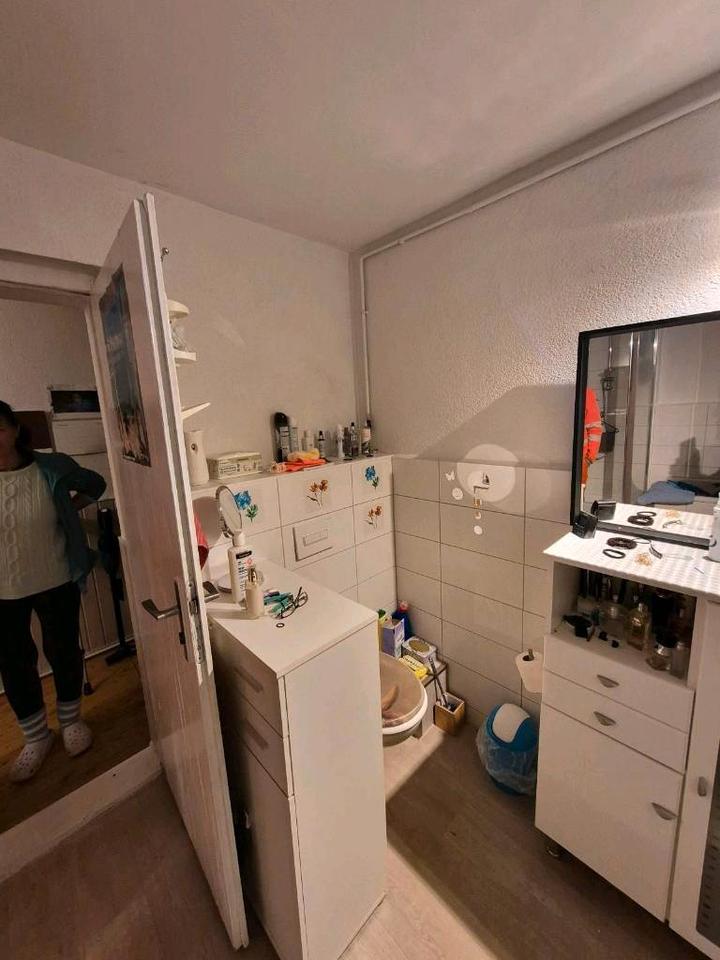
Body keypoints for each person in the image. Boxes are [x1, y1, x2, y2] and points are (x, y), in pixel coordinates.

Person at [0, 401, 106, 782]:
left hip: (55, 577)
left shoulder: (52, 467)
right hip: (3, 590)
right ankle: (35, 737)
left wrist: (67, 508)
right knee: (13, 662)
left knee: (63, 650)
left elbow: (95, 485)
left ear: (15, 430)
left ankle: (71, 721)